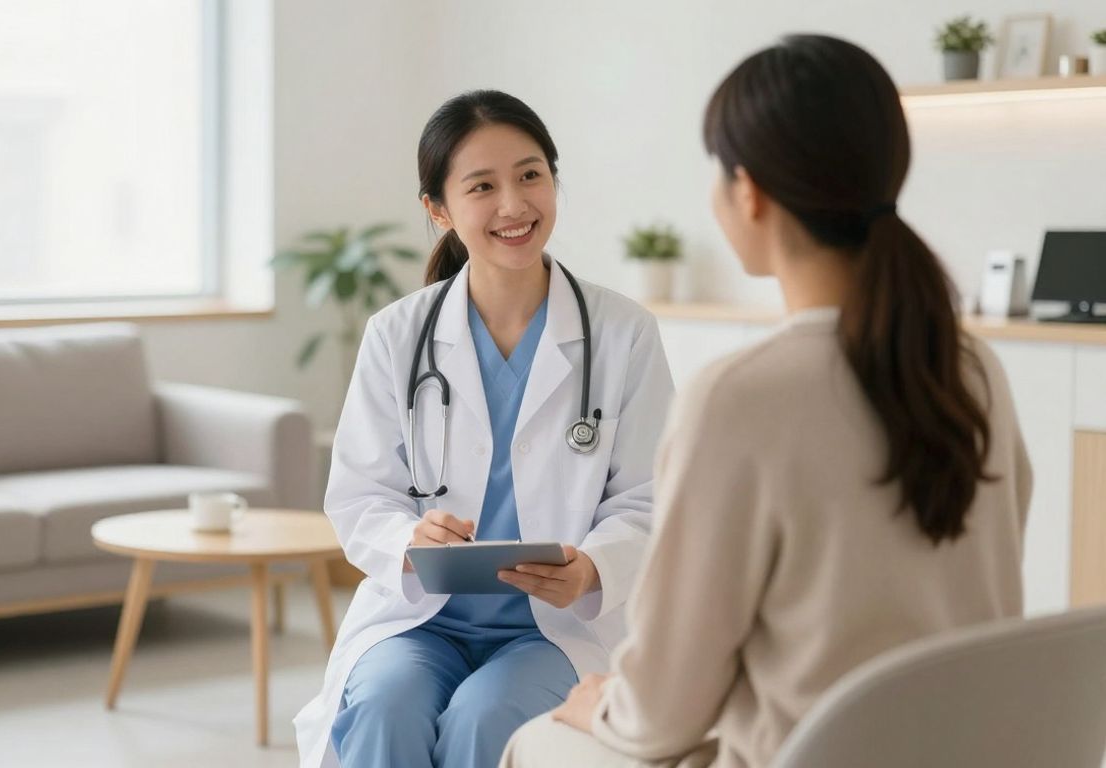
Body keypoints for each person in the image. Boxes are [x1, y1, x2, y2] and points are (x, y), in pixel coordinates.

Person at [502, 34, 1031, 768]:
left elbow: (660, 714)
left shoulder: (741, 398)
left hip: (802, 757)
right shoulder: (972, 371)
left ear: (747, 191)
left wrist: (605, 706)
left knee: (538, 739)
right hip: (969, 749)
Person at [292, 90, 676, 768]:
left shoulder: (622, 334)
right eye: (482, 186)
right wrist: (408, 540)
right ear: (438, 209)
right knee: (384, 705)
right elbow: (359, 496)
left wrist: (594, 566)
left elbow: (651, 496)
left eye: (530, 175)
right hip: (418, 622)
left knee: (488, 716)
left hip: (554, 630)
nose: (514, 205)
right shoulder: (396, 336)